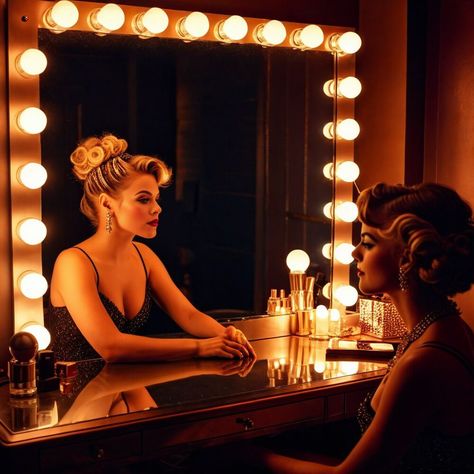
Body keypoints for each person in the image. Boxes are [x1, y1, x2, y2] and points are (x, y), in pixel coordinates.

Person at [247, 182, 474, 473]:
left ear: (405, 258)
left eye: (367, 243)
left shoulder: (424, 362)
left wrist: (248, 458)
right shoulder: (440, 329)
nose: (355, 252)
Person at [46, 134, 255, 363]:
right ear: (107, 203)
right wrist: (199, 347)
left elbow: (188, 314)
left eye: (156, 199)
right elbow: (110, 347)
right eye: (144, 200)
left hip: (126, 385)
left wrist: (225, 334)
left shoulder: (144, 256)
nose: (157, 209)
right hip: (75, 392)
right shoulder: (73, 263)